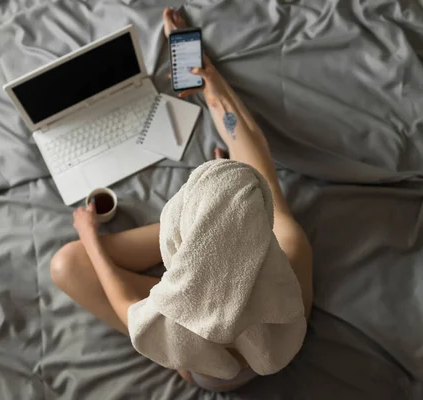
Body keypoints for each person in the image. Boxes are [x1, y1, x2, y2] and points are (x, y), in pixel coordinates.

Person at [50, 8, 313, 392]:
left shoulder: (175, 323)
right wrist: (205, 77)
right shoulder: (291, 248)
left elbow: (125, 305)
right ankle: (220, 207)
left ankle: (205, 216)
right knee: (240, 192)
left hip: (206, 370)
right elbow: (248, 138)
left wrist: (88, 234)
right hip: (243, 361)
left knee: (66, 264)